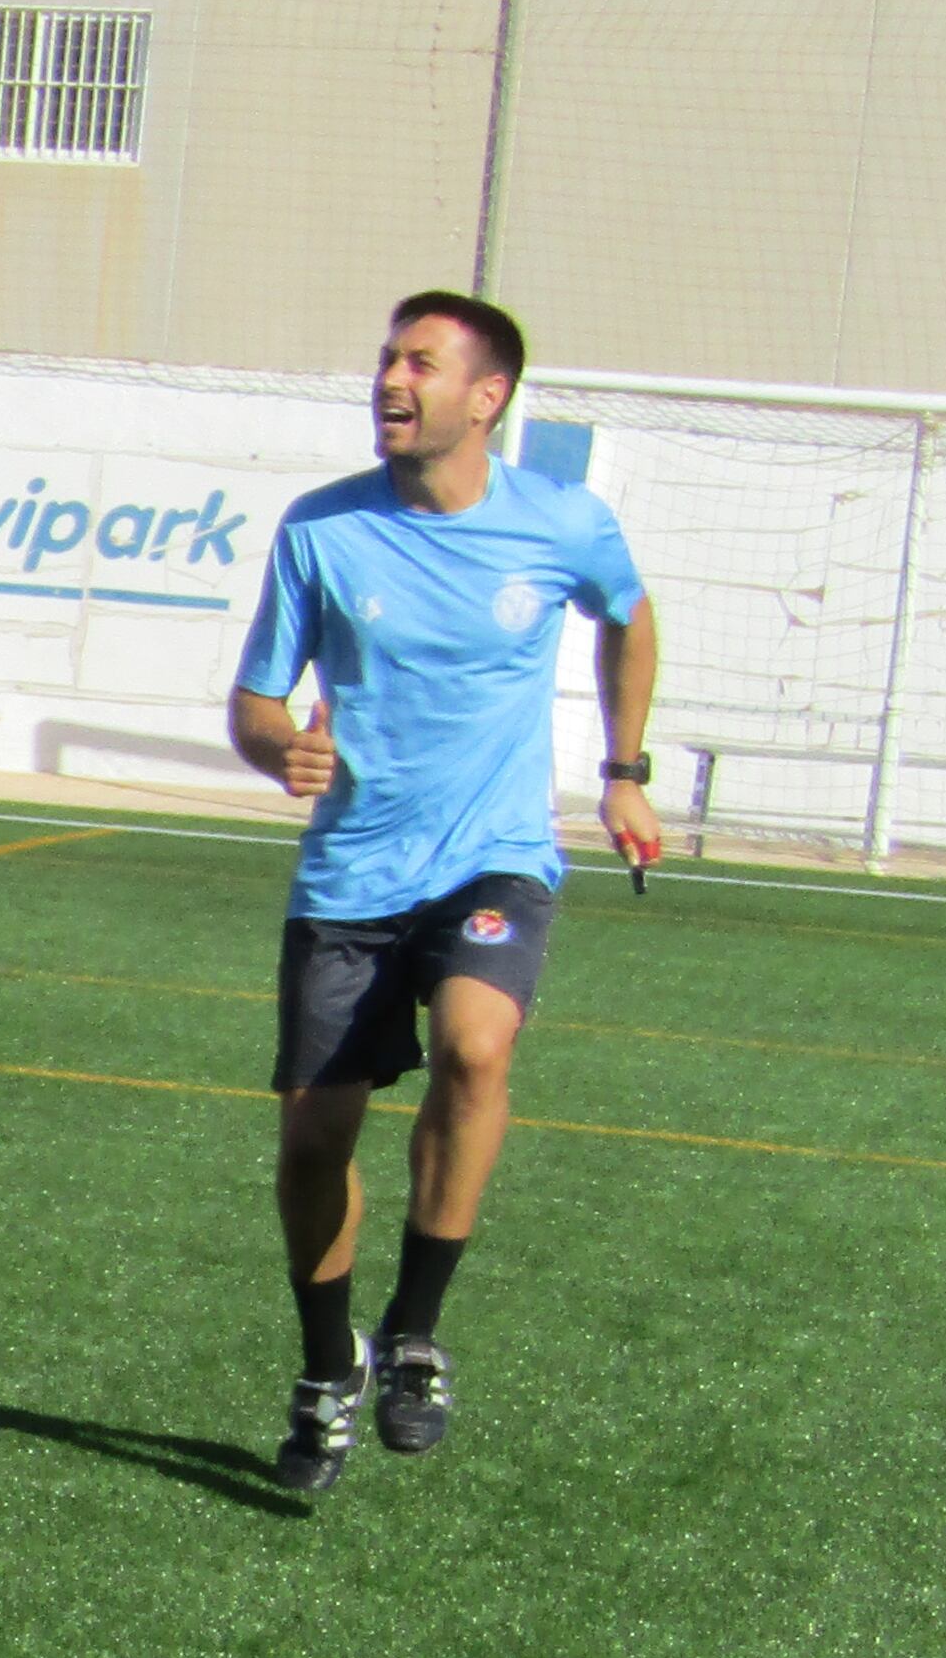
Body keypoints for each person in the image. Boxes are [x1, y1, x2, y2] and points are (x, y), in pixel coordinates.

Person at [230, 290, 660, 1496]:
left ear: (487, 397)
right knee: (315, 1136)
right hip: (351, 875)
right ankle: (328, 1369)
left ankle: (415, 1329)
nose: (388, 379)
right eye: (382, 358)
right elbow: (256, 701)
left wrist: (622, 771)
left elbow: (628, 621)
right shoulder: (320, 530)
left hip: (493, 856)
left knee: (475, 1045)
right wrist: (279, 750)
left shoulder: (563, 522)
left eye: (418, 362)